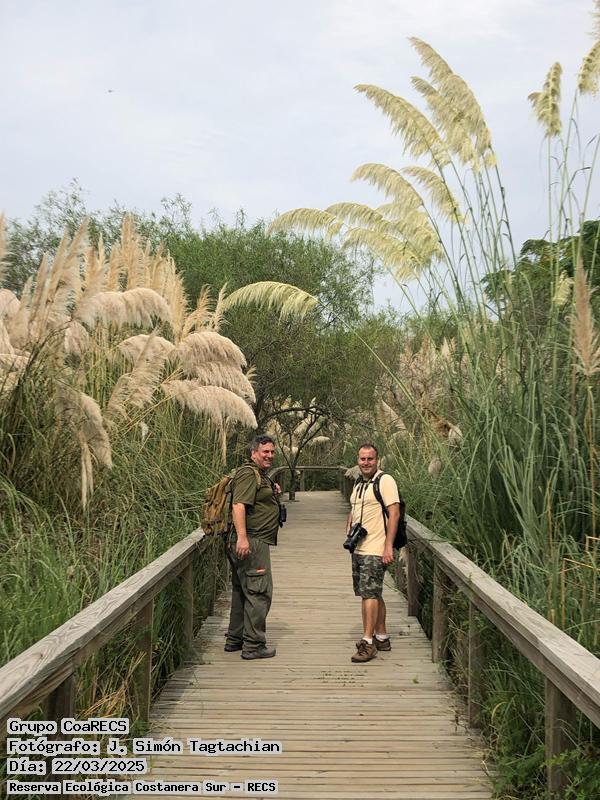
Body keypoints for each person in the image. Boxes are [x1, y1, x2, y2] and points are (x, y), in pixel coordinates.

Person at [225, 434, 281, 660]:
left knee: (242, 590)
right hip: (252, 541)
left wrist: (271, 491)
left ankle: (235, 639)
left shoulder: (258, 475)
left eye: (272, 452)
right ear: (253, 452)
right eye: (265, 451)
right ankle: (254, 645)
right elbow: (238, 505)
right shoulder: (249, 474)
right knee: (259, 592)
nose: (270, 455)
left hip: (251, 540)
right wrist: (242, 538)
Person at [346, 443, 400, 663]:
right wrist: (349, 526)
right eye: (362, 459)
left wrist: (388, 546)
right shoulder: (359, 482)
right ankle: (382, 637)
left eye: (370, 459)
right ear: (357, 460)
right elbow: (355, 508)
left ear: (377, 460)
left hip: (375, 548)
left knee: (368, 594)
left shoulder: (385, 481)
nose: (366, 463)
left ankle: (367, 642)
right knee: (372, 592)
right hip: (359, 547)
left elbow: (394, 513)